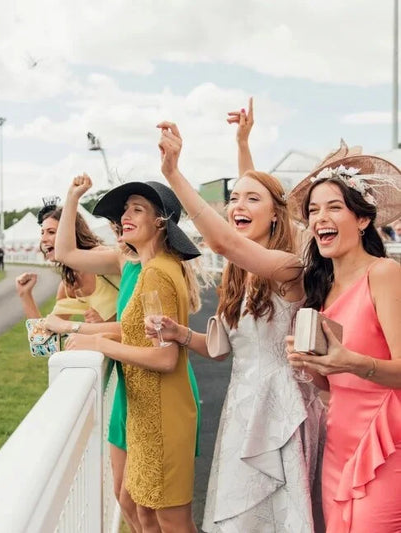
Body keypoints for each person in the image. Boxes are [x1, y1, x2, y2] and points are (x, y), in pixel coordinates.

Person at [155, 118, 325, 532]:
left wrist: (173, 174)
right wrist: (181, 334)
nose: (238, 207)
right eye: (233, 199)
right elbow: (223, 349)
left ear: (276, 215)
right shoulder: (236, 273)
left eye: (251, 200)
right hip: (241, 408)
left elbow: (226, 241)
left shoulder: (289, 266)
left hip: (282, 411)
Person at [43, 174, 204, 532]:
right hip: (148, 409)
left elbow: (165, 358)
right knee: (150, 513)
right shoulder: (149, 267)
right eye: (124, 211)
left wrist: (98, 342)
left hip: (163, 410)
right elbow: (138, 334)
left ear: (160, 222)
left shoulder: (156, 274)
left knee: (173, 522)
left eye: (137, 209)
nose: (124, 217)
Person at [286, 150, 401, 533]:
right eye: (314, 210)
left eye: (334, 207)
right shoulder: (322, 290)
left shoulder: (383, 274)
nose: (320, 218)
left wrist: (349, 361)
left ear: (363, 219)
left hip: (386, 441)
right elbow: (331, 384)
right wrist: (310, 365)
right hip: (337, 440)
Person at [15, 200, 119, 323]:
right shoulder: (69, 283)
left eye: (51, 232)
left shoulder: (103, 255)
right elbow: (45, 337)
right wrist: (25, 295)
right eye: (42, 233)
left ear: (71, 233)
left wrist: (112, 319)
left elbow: (141, 298)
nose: (43, 239)